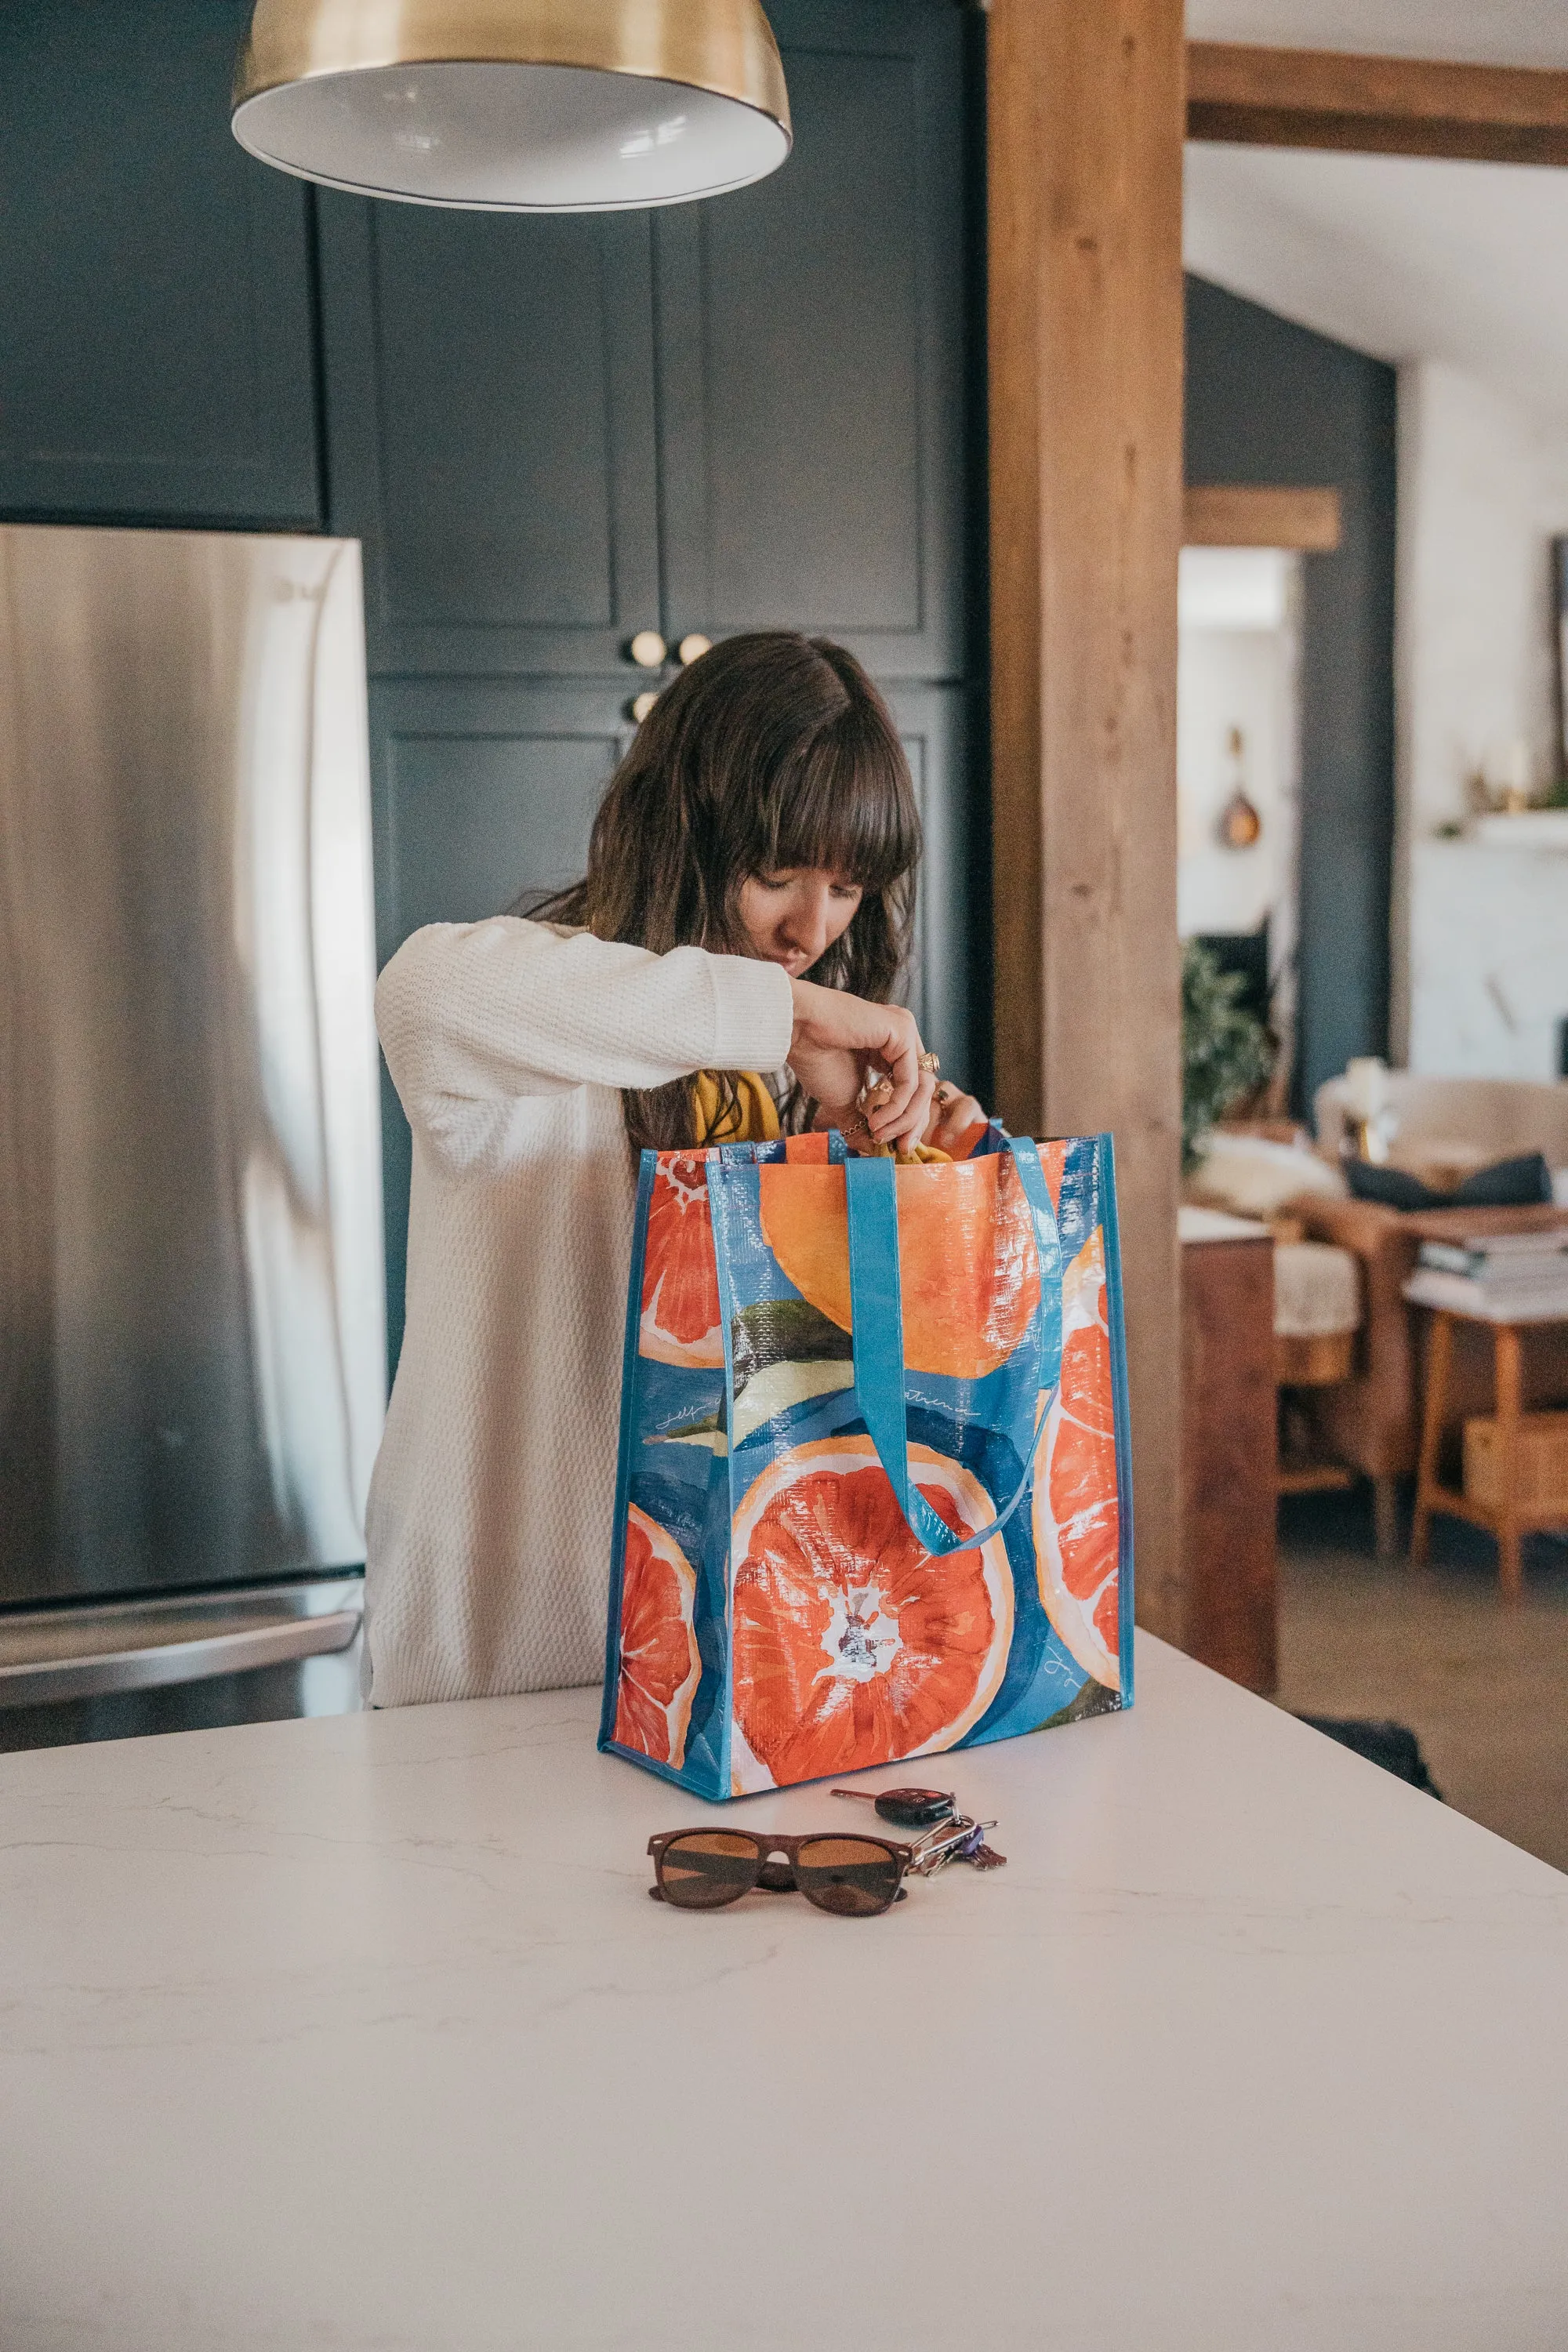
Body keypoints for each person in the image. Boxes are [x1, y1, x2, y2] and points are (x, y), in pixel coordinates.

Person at [365, 630, 989, 1706]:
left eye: (847, 888)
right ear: (684, 832)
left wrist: (909, 1165)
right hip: (510, 1658)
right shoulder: (545, 1015)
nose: (809, 929)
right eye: (776, 873)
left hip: (738, 1662)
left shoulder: (800, 1066)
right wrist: (787, 1015)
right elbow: (419, 993)